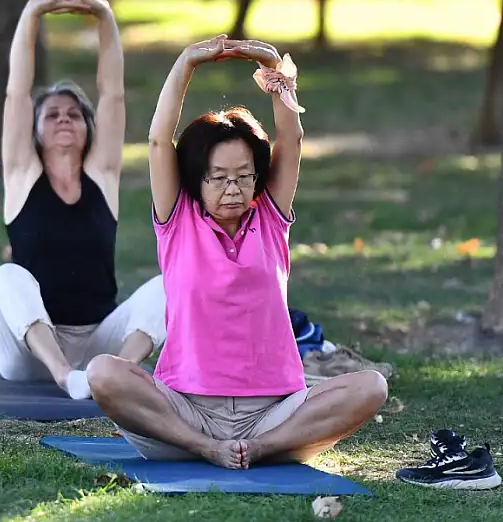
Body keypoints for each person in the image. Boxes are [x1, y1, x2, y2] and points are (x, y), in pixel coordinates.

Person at [86, 35, 388, 468]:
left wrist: (271, 64)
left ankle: (258, 450)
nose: (233, 188)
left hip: (273, 417)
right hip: (185, 416)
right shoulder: (179, 219)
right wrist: (186, 62)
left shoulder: (269, 214)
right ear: (196, 179)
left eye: (244, 176)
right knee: (103, 372)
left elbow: (292, 136)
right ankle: (207, 449)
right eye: (218, 177)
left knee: (371, 386)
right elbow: (157, 141)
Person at [0, 0, 166, 401]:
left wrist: (104, 16)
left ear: (89, 129)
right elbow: (17, 92)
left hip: (99, 343)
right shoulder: (20, 175)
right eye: (51, 115)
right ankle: (65, 376)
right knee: (7, 276)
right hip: (31, 352)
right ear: (34, 130)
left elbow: (113, 93)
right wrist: (33, 11)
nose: (64, 119)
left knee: (171, 282)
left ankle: (118, 372)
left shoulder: (103, 176)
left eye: (73, 114)